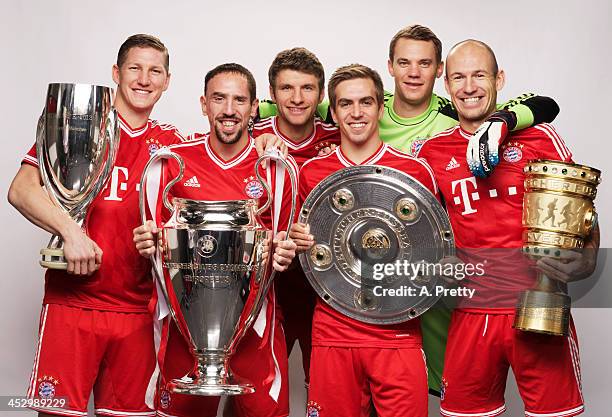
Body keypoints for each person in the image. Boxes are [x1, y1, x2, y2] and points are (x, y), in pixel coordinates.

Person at [259, 25, 562, 395]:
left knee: (444, 389)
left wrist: (503, 121)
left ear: (439, 74)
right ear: (390, 67)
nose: (413, 72)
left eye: (425, 63)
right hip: (339, 297)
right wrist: (254, 122)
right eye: (404, 62)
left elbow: (542, 104)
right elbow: (297, 100)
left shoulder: (450, 120)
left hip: (431, 300)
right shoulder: (363, 102)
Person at [416, 39, 599, 417]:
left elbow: (584, 211)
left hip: (538, 302)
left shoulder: (539, 136)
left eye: (479, 75)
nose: (469, 87)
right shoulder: (432, 151)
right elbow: (419, 227)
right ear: (447, 86)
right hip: (471, 312)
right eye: (458, 78)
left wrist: (588, 258)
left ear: (499, 79)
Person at [8, 34, 184, 417]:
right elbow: (21, 189)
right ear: (116, 73)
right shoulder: (80, 126)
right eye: (135, 68)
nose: (144, 79)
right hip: (73, 304)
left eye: (155, 71)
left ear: (167, 80)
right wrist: (71, 232)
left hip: (138, 312)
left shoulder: (173, 145)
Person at [133, 63, 298, 417]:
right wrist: (148, 240)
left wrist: (286, 250)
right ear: (203, 104)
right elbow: (154, 236)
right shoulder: (174, 161)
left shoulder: (274, 168)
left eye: (239, 100)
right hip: (185, 327)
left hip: (255, 327)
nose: (228, 110)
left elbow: (286, 239)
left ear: (255, 108)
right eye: (219, 98)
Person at [290, 64, 438, 417]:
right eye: (345, 104)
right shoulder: (311, 173)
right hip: (333, 330)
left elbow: (436, 253)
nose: (356, 113)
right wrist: (294, 239)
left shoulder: (414, 171)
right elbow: (299, 250)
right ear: (334, 111)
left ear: (380, 107)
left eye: (366, 102)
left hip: (397, 332)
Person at [251, 47, 340, 390]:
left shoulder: (340, 136)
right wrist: (251, 140)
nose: (298, 98)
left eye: (307, 88)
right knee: (254, 385)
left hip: (326, 283)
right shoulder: (251, 136)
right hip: (269, 280)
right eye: (287, 88)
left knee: (329, 386)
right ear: (272, 93)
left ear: (320, 94)